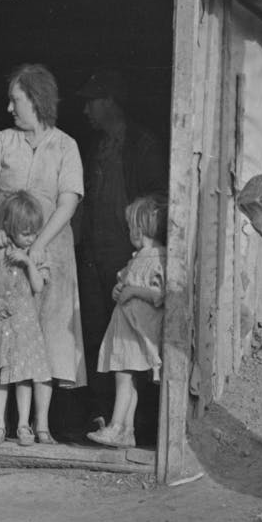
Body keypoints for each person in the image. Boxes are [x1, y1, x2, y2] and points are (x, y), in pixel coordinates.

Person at [0, 63, 86, 445]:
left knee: (49, 337)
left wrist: (38, 245)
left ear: (36, 100)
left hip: (51, 253)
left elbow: (68, 202)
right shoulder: (2, 141)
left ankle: (40, 425)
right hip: (5, 254)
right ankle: (3, 424)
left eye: (16, 100)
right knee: (7, 334)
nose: (10, 108)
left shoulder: (66, 146)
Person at [77, 69, 167, 434]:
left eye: (92, 102)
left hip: (131, 257)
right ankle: (103, 414)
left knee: (135, 340)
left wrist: (138, 229)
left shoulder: (143, 144)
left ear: (110, 101)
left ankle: (135, 420)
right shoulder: (95, 147)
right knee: (100, 332)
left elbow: (159, 197)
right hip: (95, 253)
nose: (86, 110)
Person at [0, 191, 52, 447]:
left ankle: (24, 425)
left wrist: (28, 262)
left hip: (25, 325)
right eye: (26, 233)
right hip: (0, 320)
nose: (32, 238)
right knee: (0, 374)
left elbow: (38, 287)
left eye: (34, 233)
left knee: (24, 376)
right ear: (9, 228)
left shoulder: (35, 255)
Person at [87, 194, 168, 449]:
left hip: (136, 330)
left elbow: (161, 295)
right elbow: (127, 284)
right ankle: (128, 432)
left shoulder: (158, 258)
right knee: (129, 380)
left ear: (140, 229)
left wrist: (133, 291)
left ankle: (116, 426)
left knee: (123, 378)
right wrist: (119, 290)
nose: (128, 232)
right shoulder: (139, 257)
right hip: (126, 329)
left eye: (131, 227)